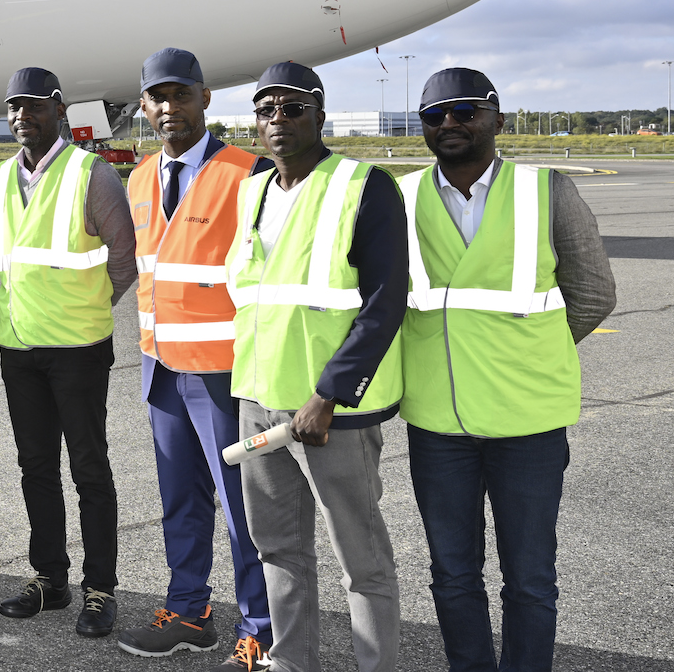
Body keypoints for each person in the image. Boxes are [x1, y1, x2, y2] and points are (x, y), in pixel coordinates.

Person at [400, 68, 615, 672]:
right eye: (434, 115)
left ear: (496, 116)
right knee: (451, 574)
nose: (449, 124)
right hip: (439, 421)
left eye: (464, 110)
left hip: (528, 424)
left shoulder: (548, 191)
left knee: (529, 578)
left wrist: (527, 353)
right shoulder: (403, 196)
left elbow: (594, 294)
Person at [227, 61, 407, 672]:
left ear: (319, 112)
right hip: (259, 396)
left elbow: (386, 302)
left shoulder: (365, 184)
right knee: (277, 549)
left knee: (362, 559)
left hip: (333, 412)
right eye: (266, 109)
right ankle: (292, 662)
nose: (278, 120)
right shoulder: (252, 189)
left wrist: (330, 393)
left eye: (292, 107)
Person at [116, 49, 275, 669]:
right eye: (156, 97)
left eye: (180, 95)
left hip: (224, 371)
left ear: (205, 98)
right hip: (162, 369)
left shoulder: (248, 172)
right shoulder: (137, 177)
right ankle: (190, 612)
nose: (167, 108)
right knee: (180, 501)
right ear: (144, 106)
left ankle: (260, 629)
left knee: (243, 509)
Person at [0, 67, 137, 637]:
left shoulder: (90, 173)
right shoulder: (2, 178)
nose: (22, 117)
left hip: (77, 349)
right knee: (35, 470)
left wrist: (91, 309)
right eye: (13, 108)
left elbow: (124, 260)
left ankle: (100, 588)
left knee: (89, 469)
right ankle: (49, 579)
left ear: (58, 109)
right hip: (19, 348)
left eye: (33, 107)